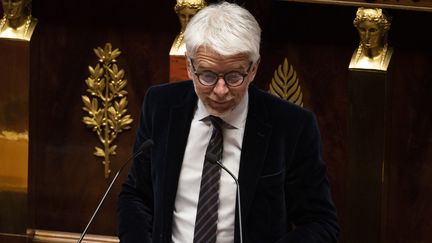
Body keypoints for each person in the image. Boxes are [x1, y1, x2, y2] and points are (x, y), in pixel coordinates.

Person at [118, 2, 339, 243]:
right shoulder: (160, 106)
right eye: (208, 75)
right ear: (190, 67)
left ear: (253, 69)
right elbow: (136, 195)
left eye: (234, 76)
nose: (220, 90)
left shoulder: (292, 126)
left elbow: (320, 223)